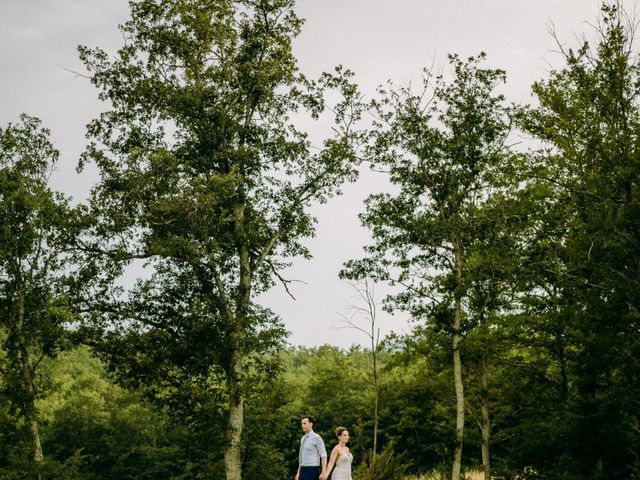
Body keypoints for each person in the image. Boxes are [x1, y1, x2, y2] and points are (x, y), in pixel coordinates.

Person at [296, 415, 328, 480]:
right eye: (302, 424)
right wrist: (298, 473)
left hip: (312, 470)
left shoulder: (317, 438)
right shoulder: (303, 438)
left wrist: (324, 472)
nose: (302, 425)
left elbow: (323, 455)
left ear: (311, 424)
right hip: (302, 470)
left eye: (304, 423)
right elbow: (301, 457)